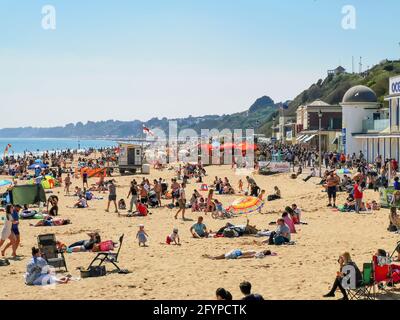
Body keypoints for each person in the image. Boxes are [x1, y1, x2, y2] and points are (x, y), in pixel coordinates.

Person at [204, 249, 273, 260]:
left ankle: (214, 258)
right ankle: (214, 257)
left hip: (238, 253)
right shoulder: (259, 252)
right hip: (238, 252)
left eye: (265, 250)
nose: (263, 250)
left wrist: (241, 257)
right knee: (224, 255)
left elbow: (250, 256)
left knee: (224, 256)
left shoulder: (259, 254)